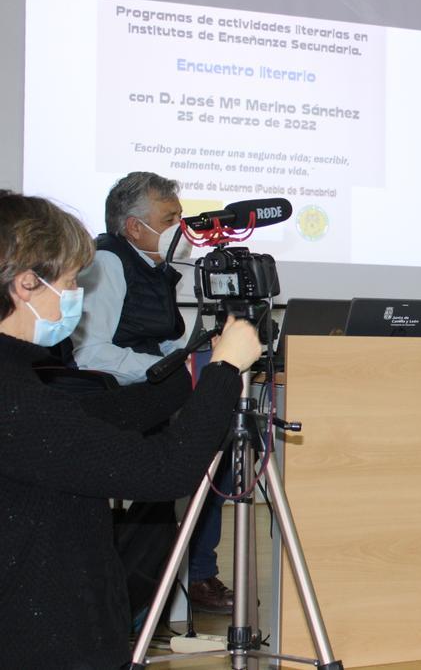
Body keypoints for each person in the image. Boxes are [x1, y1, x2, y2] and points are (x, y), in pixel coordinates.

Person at [0, 191, 262, 668]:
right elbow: (166, 471)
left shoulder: (19, 383)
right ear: (25, 285)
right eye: (71, 280)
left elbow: (89, 424)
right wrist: (224, 373)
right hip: (44, 642)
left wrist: (187, 378)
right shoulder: (14, 401)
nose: (76, 294)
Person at [72, 171, 235, 614]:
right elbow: (92, 354)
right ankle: (144, 591)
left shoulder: (157, 269)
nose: (180, 229)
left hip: (149, 393)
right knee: (192, 455)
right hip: (112, 401)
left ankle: (196, 570)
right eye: (170, 219)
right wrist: (173, 369)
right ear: (133, 227)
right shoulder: (108, 263)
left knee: (219, 448)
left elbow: (157, 337)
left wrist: (199, 357)